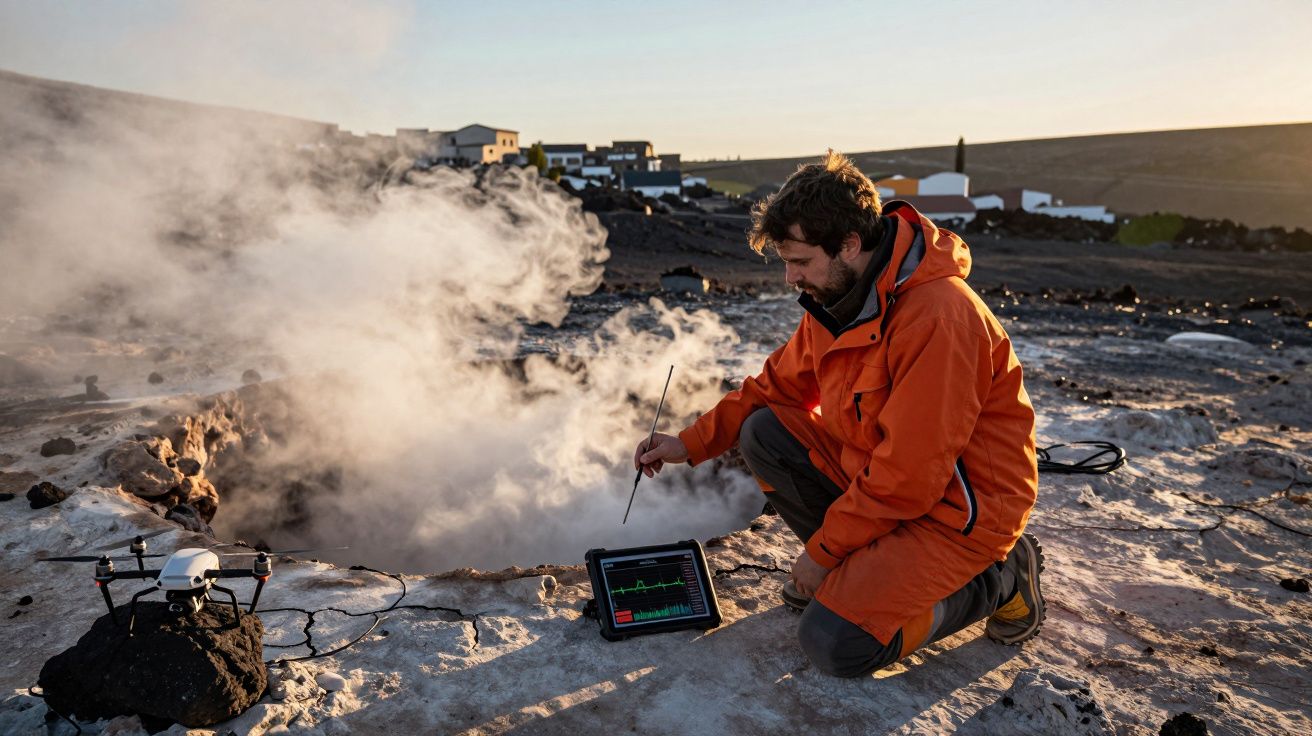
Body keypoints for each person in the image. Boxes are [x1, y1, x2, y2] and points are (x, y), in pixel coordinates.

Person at [633, 151, 1043, 677]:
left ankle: (1000, 578)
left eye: (800, 261)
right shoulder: (844, 296)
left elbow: (910, 477)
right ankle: (861, 578)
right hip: (885, 486)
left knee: (834, 643)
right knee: (765, 430)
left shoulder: (940, 317)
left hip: (957, 514)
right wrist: (688, 444)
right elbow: (774, 386)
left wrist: (823, 552)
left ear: (850, 243)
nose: (789, 277)